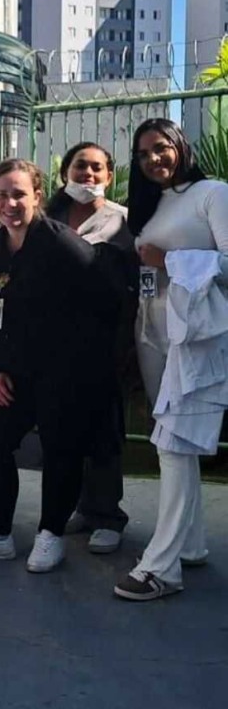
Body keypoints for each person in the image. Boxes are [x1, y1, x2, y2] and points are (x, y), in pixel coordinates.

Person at [0, 159, 120, 573]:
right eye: (2, 194)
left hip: (62, 372)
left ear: (37, 196)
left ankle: (50, 534)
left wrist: (82, 362)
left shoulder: (62, 244)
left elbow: (107, 300)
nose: (10, 203)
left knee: (61, 449)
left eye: (19, 194)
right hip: (9, 371)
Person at [114, 118, 228, 601]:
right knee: (171, 443)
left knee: (175, 444)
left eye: (160, 148)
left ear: (180, 145)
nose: (153, 160)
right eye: (142, 155)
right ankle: (191, 545)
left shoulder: (213, 193)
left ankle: (161, 568)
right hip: (155, 333)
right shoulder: (154, 204)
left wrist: (173, 262)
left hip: (197, 338)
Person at [46, 142, 137, 555]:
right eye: (81, 166)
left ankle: (108, 515)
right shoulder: (48, 218)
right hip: (56, 342)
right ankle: (80, 507)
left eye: (98, 168)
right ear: (66, 171)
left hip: (104, 341)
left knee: (104, 430)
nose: (89, 174)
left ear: (110, 176)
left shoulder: (124, 222)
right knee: (66, 430)